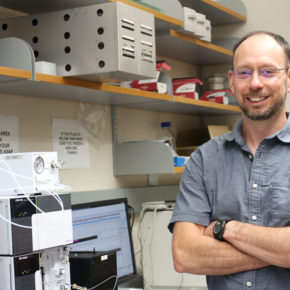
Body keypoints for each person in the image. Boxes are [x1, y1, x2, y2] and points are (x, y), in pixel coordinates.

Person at [168, 30, 290, 290]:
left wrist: (227, 229)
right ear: (232, 82)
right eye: (245, 73)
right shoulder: (204, 160)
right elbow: (185, 254)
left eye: (268, 71)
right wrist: (278, 253)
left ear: (288, 78)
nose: (256, 83)